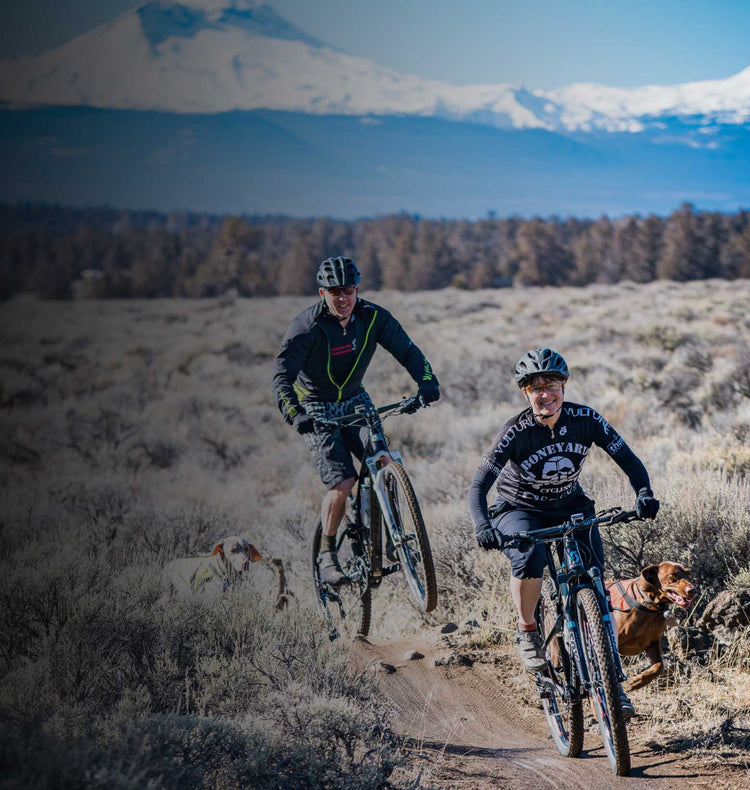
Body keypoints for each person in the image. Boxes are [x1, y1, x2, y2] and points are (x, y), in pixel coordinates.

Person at [467, 348, 659, 716]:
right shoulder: (515, 431)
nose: (545, 393)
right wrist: (483, 526)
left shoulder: (585, 419)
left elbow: (629, 460)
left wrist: (644, 493)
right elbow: (478, 487)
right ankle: (528, 631)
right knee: (530, 556)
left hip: (570, 505)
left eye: (551, 384)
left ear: (563, 385)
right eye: (535, 387)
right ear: (526, 393)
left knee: (593, 581)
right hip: (518, 509)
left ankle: (611, 682)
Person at [273, 256, 440, 586]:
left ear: (356, 290)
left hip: (355, 400)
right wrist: (296, 414)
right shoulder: (307, 327)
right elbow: (282, 377)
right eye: (334, 292)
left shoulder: (373, 317)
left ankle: (391, 536)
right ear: (323, 293)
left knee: (381, 457)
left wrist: (426, 381)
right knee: (343, 481)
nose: (342, 299)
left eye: (347, 291)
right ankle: (326, 556)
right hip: (317, 406)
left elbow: (408, 351)